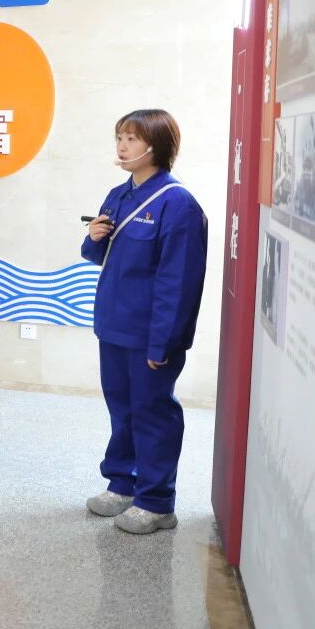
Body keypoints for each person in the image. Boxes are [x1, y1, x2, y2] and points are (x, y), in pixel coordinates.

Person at [81, 109, 207, 535]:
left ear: (157, 146)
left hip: (150, 333)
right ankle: (123, 483)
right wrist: (92, 238)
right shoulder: (119, 194)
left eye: (132, 139)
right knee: (122, 409)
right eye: (119, 137)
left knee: (153, 413)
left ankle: (156, 502)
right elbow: (98, 254)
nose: (122, 146)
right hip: (114, 326)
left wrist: (164, 343)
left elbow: (179, 282)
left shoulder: (177, 204)